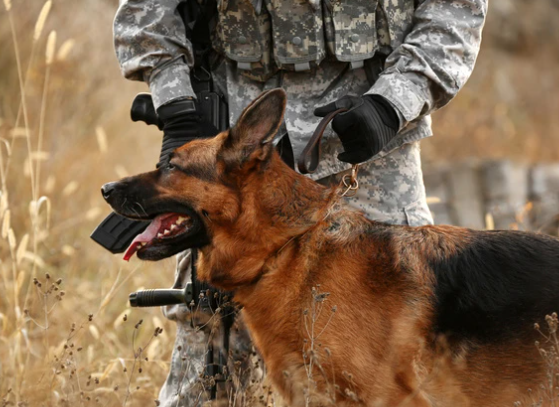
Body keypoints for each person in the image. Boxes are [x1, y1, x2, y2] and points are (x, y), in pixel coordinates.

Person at [113, 0, 487, 404]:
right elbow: (146, 9)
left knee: (403, 371)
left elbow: (455, 11)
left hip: (368, 135)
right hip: (233, 141)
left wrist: (394, 101)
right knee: (210, 355)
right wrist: (178, 105)